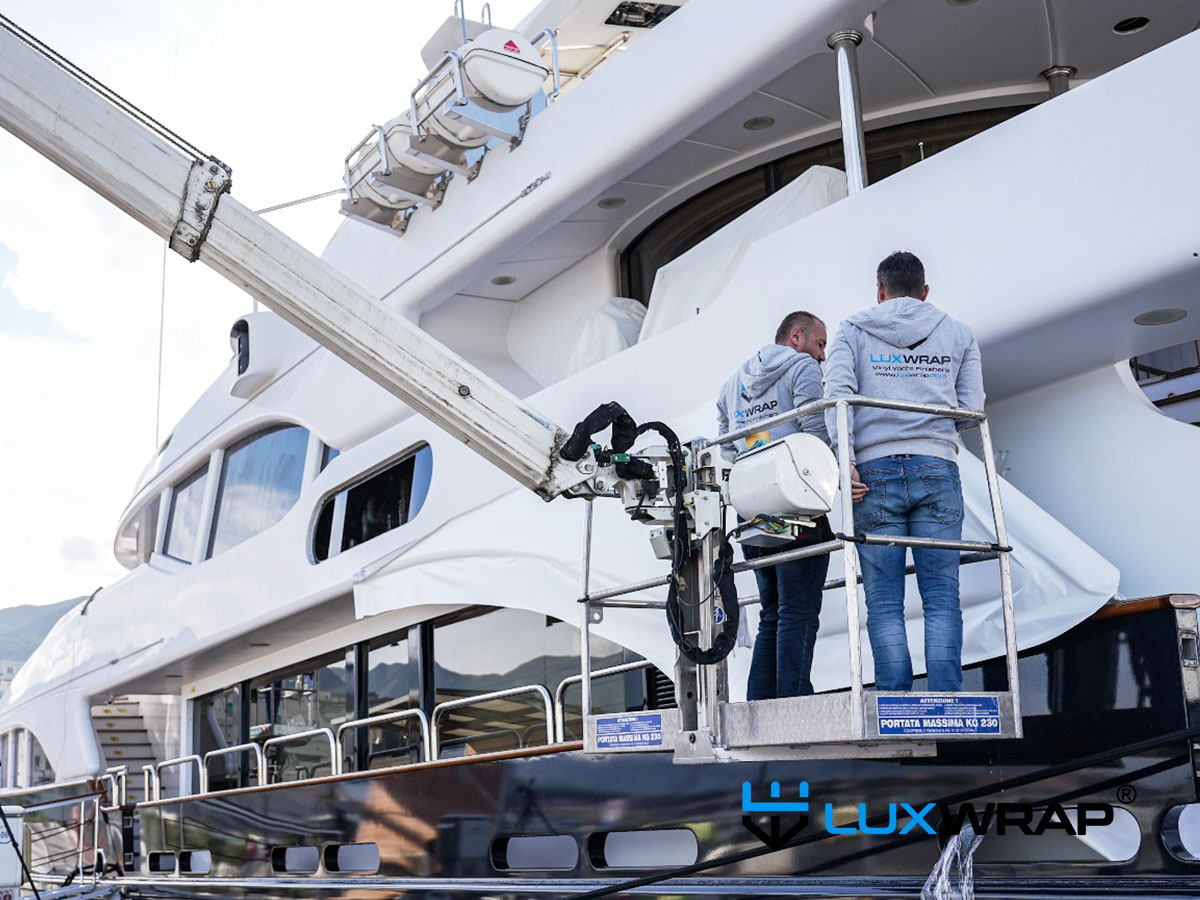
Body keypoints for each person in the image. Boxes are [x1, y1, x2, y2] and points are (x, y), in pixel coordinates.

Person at [823, 251, 984, 692]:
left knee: (884, 601)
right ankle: (947, 697)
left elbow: (837, 399)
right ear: (925, 291)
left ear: (880, 292)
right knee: (941, 596)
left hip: (871, 475)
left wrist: (845, 464)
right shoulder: (958, 333)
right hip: (937, 466)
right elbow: (972, 410)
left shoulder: (852, 331)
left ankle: (895, 698)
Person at [717, 311, 831, 699]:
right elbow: (815, 436)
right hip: (796, 506)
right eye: (819, 345)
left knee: (772, 613)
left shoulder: (731, 385)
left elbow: (728, 449)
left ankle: (761, 703)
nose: (822, 357)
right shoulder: (802, 369)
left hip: (751, 511)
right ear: (796, 336)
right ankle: (794, 703)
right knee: (798, 611)